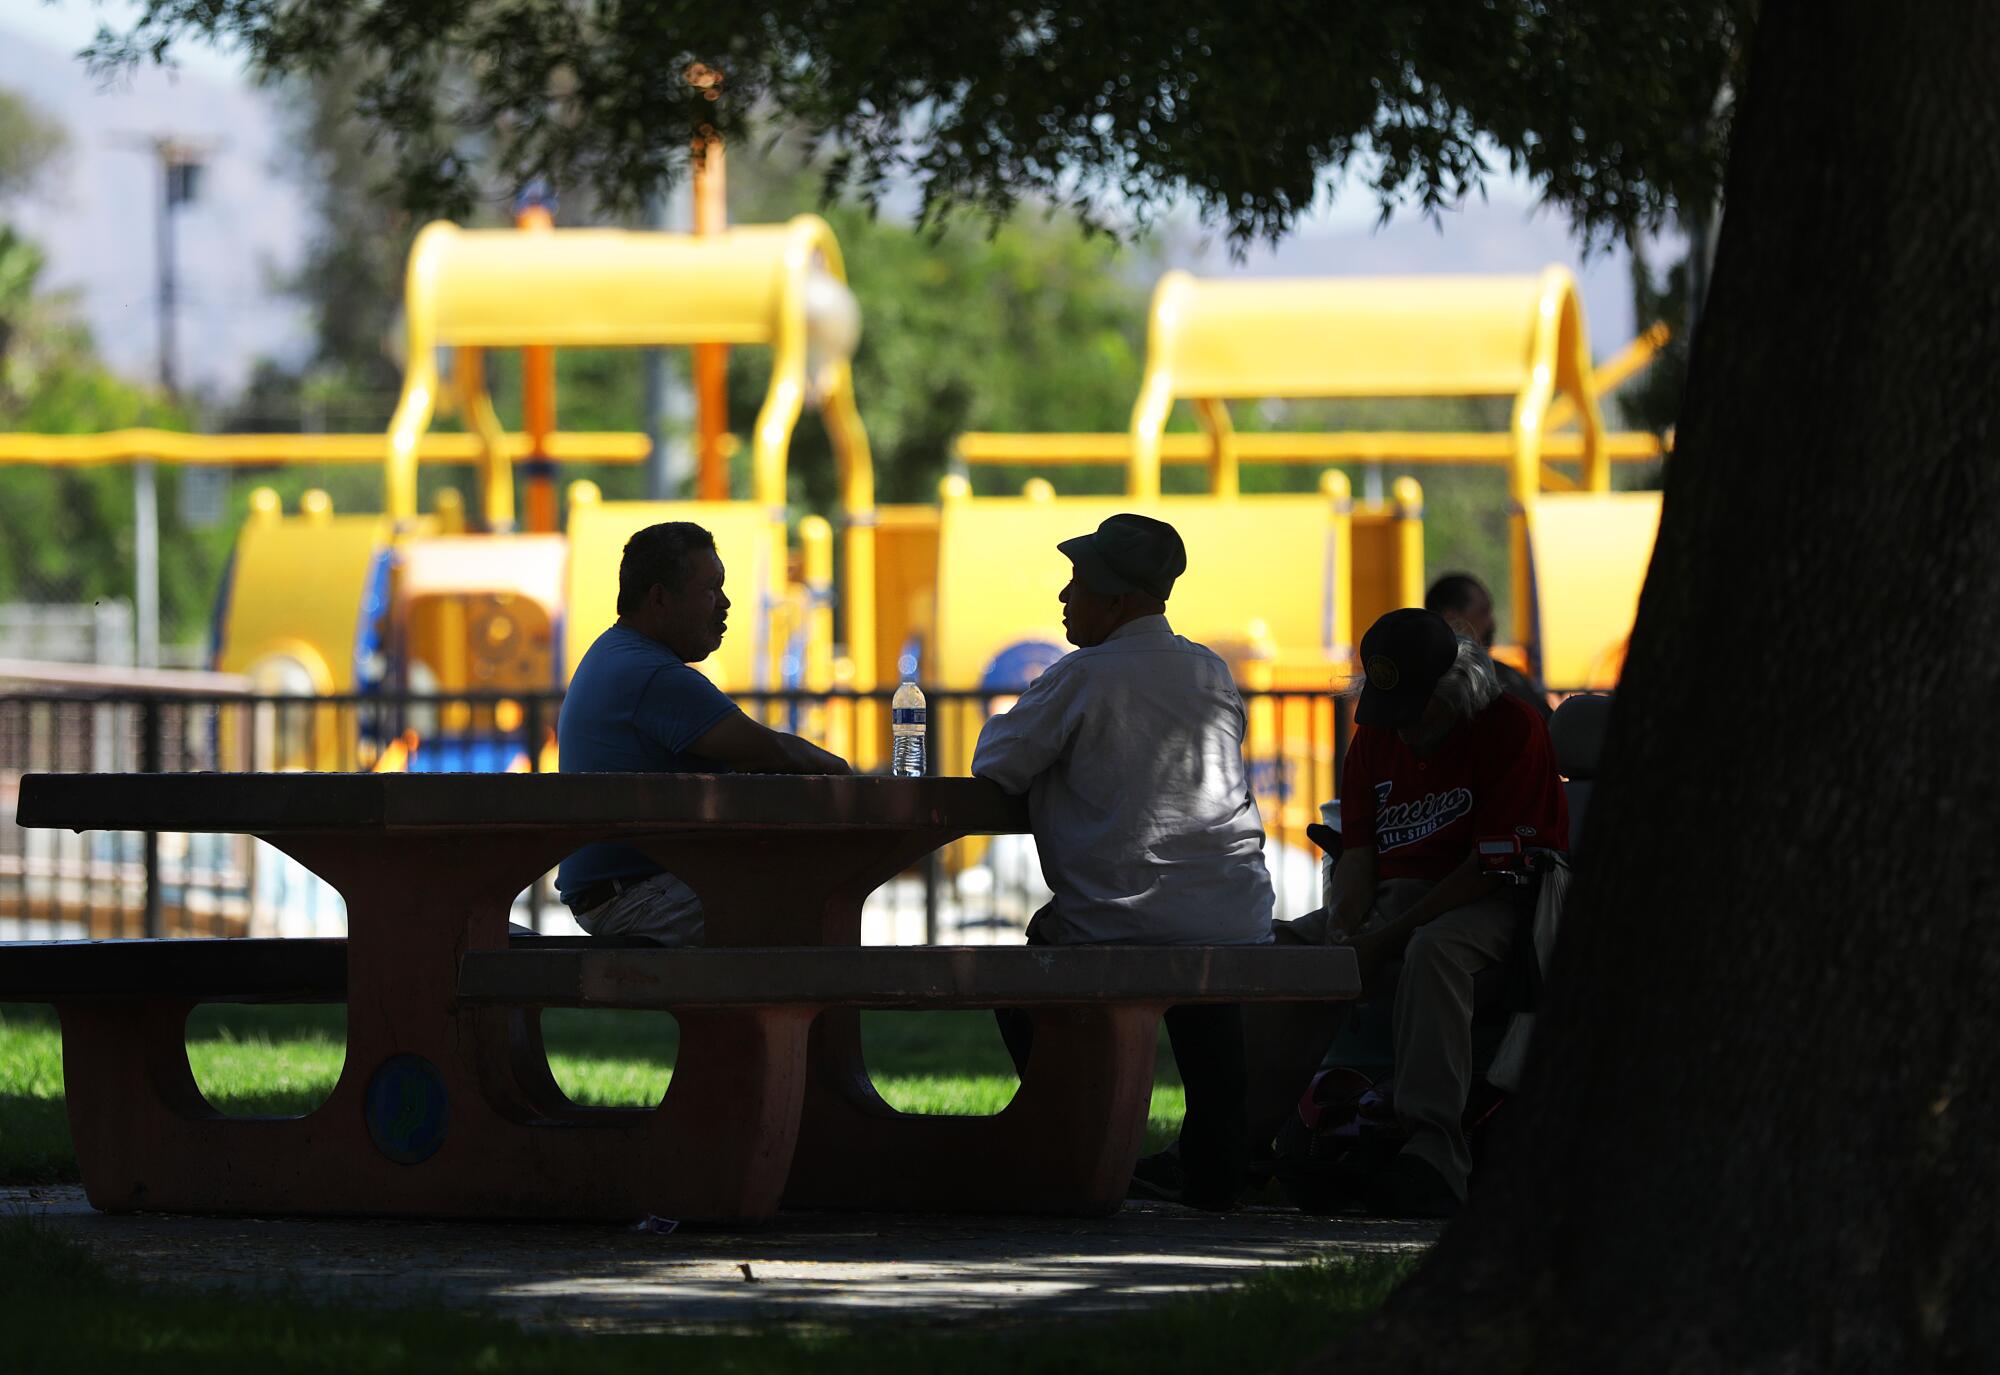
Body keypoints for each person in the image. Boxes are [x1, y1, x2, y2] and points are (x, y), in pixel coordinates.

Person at [971, 513, 1274, 1209]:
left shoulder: (1081, 676)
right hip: (1236, 914)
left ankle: (1080, 1142)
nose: (1063, 597)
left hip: (1118, 917)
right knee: (1206, 972)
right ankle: (1216, 1164)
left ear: (1117, 600)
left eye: (1077, 583)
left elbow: (995, 763)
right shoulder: (1211, 670)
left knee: (1026, 980)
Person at [1277, 607, 1568, 1216]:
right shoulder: (1379, 734)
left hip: (1499, 897)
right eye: (1391, 712)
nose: (1402, 730)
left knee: (1434, 952)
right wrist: (1343, 927)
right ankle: (1243, 1142)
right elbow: (1357, 852)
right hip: (1399, 899)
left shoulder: (1509, 729)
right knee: (1280, 954)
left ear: (1455, 690)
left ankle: (1434, 1157)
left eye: (1414, 712)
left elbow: (1485, 868)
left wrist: (1383, 942)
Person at [555, 521, 849, 943]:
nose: (725, 603)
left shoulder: (618, 653)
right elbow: (770, 751)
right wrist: (848, 778)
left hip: (623, 892)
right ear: (659, 598)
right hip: (639, 899)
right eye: (711, 588)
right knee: (810, 899)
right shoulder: (651, 673)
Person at [1424, 571, 1552, 719]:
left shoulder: (1414, 687)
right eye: (1483, 612)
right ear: (1451, 619)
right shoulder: (1499, 680)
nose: (1492, 623)